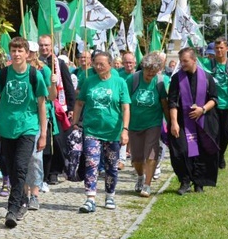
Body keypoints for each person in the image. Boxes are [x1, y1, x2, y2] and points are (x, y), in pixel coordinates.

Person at [0, 37, 48, 228]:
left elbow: (41, 105)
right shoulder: (3, 74)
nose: (16, 54)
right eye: (13, 51)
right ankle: (22, 199)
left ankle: (11, 209)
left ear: (27, 53)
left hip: (27, 127)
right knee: (11, 167)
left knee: (21, 167)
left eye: (20, 51)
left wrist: (43, 133)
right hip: (6, 127)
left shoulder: (34, 75)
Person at [72, 51, 130, 212]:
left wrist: (125, 130)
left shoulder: (119, 82)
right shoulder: (89, 81)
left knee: (111, 166)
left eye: (101, 64)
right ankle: (90, 198)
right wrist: (75, 123)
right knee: (92, 163)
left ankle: (110, 195)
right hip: (92, 130)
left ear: (110, 65)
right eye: (95, 63)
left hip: (113, 131)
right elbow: (79, 103)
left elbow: (125, 107)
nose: (98, 67)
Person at [168, 47, 219, 194]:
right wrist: (174, 123)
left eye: (185, 61)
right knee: (181, 151)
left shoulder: (207, 77)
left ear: (194, 60)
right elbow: (172, 102)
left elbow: (214, 99)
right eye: (181, 61)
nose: (182, 64)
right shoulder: (177, 78)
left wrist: (202, 109)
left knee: (202, 152)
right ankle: (185, 181)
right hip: (182, 121)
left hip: (203, 120)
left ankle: (199, 183)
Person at [127, 52, 169, 198]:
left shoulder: (160, 81)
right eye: (148, 70)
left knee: (151, 155)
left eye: (154, 71)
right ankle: (140, 176)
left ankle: (147, 185)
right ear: (143, 68)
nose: (150, 74)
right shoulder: (133, 79)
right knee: (137, 159)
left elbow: (164, 103)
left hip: (153, 123)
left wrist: (169, 122)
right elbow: (125, 103)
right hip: (135, 123)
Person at [37, 34, 76, 186]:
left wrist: (71, 108)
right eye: (41, 45)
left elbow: (68, 86)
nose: (44, 48)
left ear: (51, 46)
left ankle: (54, 171)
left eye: (46, 45)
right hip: (42, 106)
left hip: (59, 108)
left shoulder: (59, 64)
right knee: (44, 142)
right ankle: (44, 173)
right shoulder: (36, 64)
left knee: (57, 142)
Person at [25, 41, 57, 211]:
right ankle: (23, 194)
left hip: (37, 118)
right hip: (21, 119)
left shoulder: (43, 70)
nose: (29, 54)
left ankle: (35, 194)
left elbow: (51, 97)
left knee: (35, 159)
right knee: (22, 159)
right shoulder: (15, 69)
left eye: (31, 52)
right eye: (27, 51)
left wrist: (52, 83)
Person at [200, 38, 228, 169]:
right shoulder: (207, 63)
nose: (219, 50)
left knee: (226, 135)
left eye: (221, 48)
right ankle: (214, 159)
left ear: (226, 49)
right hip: (212, 105)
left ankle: (221, 154)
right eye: (217, 48)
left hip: (227, 105)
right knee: (213, 134)